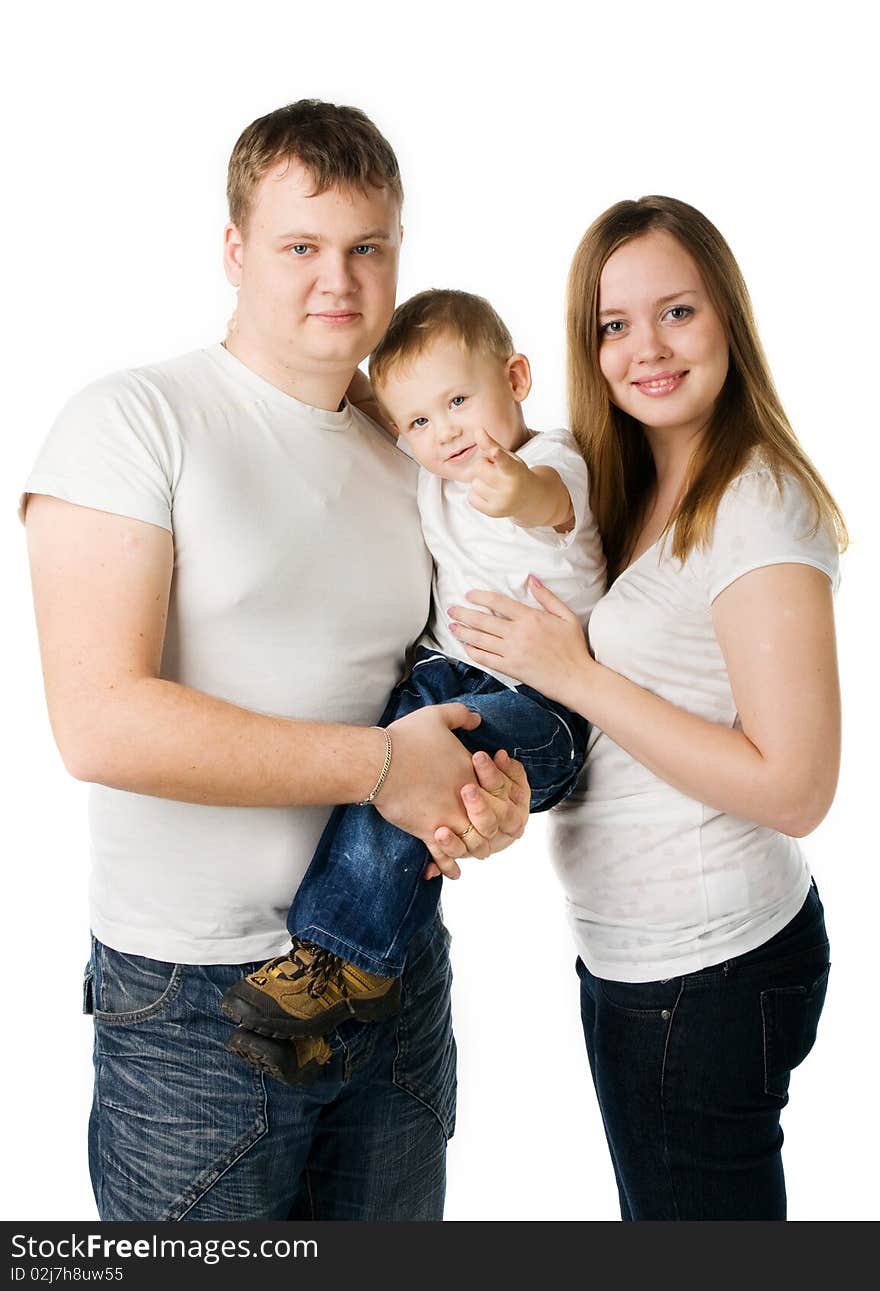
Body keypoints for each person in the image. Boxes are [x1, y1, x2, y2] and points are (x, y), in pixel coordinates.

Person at [21, 100, 531, 1222]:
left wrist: (486, 801)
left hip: (391, 975)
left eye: (367, 247)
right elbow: (99, 722)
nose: (335, 279)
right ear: (235, 251)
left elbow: (445, 692)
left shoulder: (414, 454)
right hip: (193, 1002)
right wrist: (382, 767)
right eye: (301, 246)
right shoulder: (134, 420)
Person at [447, 196, 846, 1220]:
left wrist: (574, 674)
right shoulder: (631, 484)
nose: (646, 348)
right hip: (646, 960)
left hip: (704, 971)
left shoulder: (754, 504)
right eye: (613, 325)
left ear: (728, 319)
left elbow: (795, 786)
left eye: (677, 311)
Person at [219, 289, 606, 1077]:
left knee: (422, 761)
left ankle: (336, 955)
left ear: (518, 377)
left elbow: (549, 501)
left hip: (546, 707)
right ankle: (326, 1001)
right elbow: (374, 392)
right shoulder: (430, 468)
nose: (446, 432)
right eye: (421, 423)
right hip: (441, 673)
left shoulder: (552, 457)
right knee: (391, 769)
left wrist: (516, 489)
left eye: (460, 401)